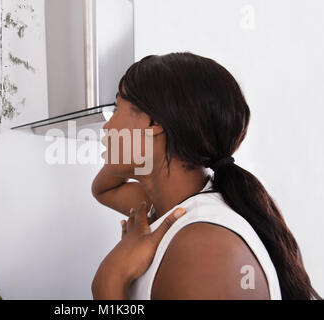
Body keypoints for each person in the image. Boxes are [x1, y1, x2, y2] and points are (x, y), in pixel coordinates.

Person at [90, 52, 321, 300]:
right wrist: (147, 145)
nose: (107, 126)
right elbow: (104, 189)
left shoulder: (204, 247)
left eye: (117, 108)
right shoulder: (167, 206)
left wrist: (109, 282)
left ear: (153, 121)